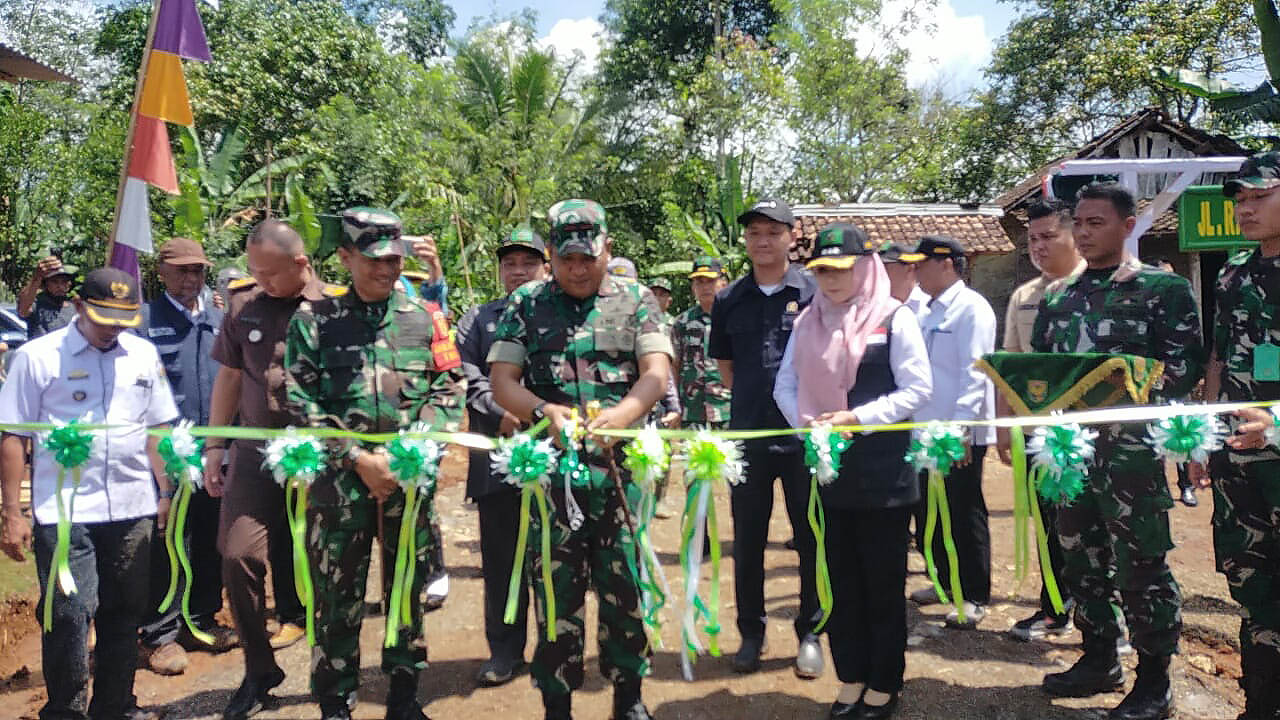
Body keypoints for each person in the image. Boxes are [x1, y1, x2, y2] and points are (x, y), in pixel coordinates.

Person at [488, 199, 672, 720]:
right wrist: (544, 410)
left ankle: (628, 697)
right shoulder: (525, 302)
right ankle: (557, 702)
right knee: (553, 589)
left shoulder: (637, 300)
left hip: (621, 473)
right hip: (552, 473)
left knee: (625, 585)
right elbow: (503, 382)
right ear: (550, 255)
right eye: (566, 259)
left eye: (587, 258)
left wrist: (629, 411)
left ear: (606, 250)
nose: (577, 268)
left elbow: (656, 372)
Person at [1031, 182, 1203, 720]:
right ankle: (1099, 656)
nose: (1083, 233)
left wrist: (1119, 391)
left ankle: (1154, 680)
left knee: (1141, 567)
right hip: (1071, 456)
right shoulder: (1059, 297)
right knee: (1080, 559)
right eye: (1078, 223)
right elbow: (1044, 372)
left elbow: (1183, 370)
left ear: (1128, 226)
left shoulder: (1162, 291)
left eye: (1095, 223)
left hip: (1131, 459)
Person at [285, 207, 465, 720]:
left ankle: (405, 696)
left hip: (407, 483)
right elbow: (300, 399)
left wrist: (409, 450)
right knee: (336, 597)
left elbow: (448, 389)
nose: (387, 269)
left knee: (406, 589)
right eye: (374, 260)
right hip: (339, 487)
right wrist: (359, 457)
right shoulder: (313, 321)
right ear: (344, 257)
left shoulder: (425, 319)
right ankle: (335, 701)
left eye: (394, 259)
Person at [0, 268, 179, 720]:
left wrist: (165, 491)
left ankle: (115, 706)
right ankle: (65, 709)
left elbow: (157, 427)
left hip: (132, 505)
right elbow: (13, 435)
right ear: (79, 306)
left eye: (122, 319)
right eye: (103, 318)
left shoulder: (143, 355)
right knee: (68, 612)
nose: (113, 329)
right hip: (64, 510)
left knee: (124, 613)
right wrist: (11, 513)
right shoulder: (38, 358)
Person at [774, 223, 932, 719]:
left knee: (881, 584)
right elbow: (786, 384)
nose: (831, 279)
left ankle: (884, 684)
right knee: (838, 581)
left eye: (841, 269)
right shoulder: (807, 323)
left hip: (884, 478)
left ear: (866, 266)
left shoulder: (894, 318)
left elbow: (917, 390)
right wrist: (809, 428)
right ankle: (852, 677)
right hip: (829, 474)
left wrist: (857, 419)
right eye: (821, 270)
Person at [207, 220, 342, 720]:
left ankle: (332, 676)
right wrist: (215, 445)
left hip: (324, 454)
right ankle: (259, 669)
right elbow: (229, 375)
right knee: (238, 555)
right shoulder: (244, 306)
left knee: (328, 568)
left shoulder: (337, 307)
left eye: (269, 273)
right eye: (254, 271)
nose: (260, 280)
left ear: (301, 264)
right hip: (256, 455)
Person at [709, 198, 824, 678]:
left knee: (811, 537)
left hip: (803, 439)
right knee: (749, 540)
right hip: (749, 438)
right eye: (754, 231)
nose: (762, 240)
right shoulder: (728, 299)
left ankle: (811, 633)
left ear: (791, 236)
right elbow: (728, 370)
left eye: (772, 231)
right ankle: (751, 633)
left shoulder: (815, 292)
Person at [1192, 152, 1280, 720]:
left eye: (1259, 197)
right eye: (1239, 200)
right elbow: (1219, 360)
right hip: (1240, 462)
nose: (1245, 209)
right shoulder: (1234, 272)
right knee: (1253, 590)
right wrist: (1205, 436)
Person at [134, 237, 237, 677]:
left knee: (210, 536)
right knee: (167, 542)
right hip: (166, 456)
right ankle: (160, 634)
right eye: (182, 271)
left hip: (214, 453)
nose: (192, 279)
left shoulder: (219, 320)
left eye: (198, 270)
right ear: (162, 272)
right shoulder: (143, 323)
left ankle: (202, 619)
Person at [456, 227, 548, 687]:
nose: (518, 272)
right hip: (497, 457)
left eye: (528, 263)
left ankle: (555, 648)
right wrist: (501, 412)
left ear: (545, 267)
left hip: (555, 458)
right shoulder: (477, 319)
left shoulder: (559, 313)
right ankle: (504, 651)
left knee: (554, 558)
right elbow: (466, 374)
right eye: (510, 264)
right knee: (501, 561)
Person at [997, 200, 1086, 642]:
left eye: (1048, 236)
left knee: (1097, 530)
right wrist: (1002, 427)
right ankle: (1054, 608)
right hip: (1036, 436)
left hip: (1089, 439)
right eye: (1032, 239)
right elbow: (1008, 367)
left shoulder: (1097, 289)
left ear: (1074, 235)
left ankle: (1109, 621)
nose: (1038, 246)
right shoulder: (1024, 297)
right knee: (1048, 525)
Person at [911, 235, 997, 630]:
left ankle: (975, 594)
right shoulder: (927, 311)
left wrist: (962, 428)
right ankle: (945, 583)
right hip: (925, 431)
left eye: (921, 264)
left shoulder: (971, 309)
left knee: (963, 512)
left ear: (947, 264)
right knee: (929, 511)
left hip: (957, 435)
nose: (915, 271)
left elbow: (975, 373)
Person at [1143, 257, 1198, 508]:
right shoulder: (1144, 304)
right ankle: (1159, 489)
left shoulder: (1181, 301)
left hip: (1176, 380)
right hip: (1150, 384)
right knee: (1152, 437)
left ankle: (1186, 486)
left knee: (1181, 434)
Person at [18, 255, 78, 341]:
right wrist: (37, 277)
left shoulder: (74, 309)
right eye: (55, 282)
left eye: (64, 282)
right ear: (46, 284)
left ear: (69, 285)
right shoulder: (37, 304)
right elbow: (23, 310)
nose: (60, 286)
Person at [878, 243, 928, 315]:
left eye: (886, 267)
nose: (880, 272)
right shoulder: (878, 302)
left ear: (909, 270)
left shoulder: (926, 305)